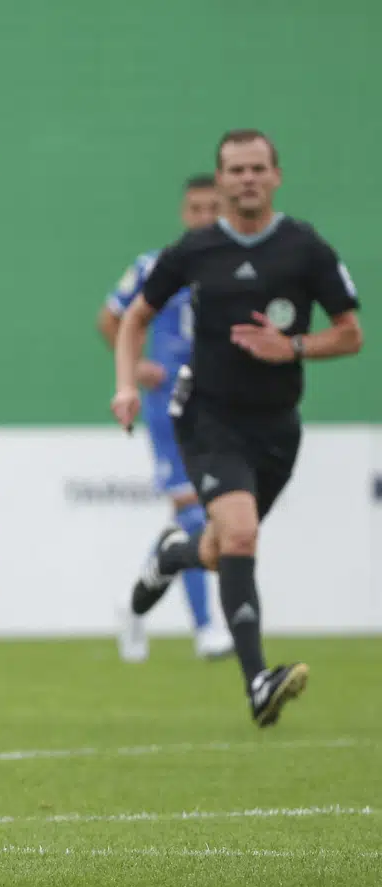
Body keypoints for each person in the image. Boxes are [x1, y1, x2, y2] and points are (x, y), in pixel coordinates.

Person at [112, 129, 364, 727]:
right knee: (243, 536)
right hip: (206, 417)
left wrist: (295, 345)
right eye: (235, 170)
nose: (247, 178)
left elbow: (351, 333)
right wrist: (125, 384)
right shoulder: (194, 250)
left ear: (276, 176)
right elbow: (133, 319)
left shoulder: (305, 249)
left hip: (277, 428)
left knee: (225, 547)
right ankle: (258, 682)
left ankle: (175, 554)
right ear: (220, 181)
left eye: (257, 168)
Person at [99, 174, 231, 662]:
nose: (203, 217)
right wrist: (135, 369)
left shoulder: (242, 269)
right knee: (195, 513)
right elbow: (111, 319)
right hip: (171, 410)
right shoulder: (155, 266)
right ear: (184, 214)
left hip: (224, 405)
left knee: (208, 518)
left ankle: (134, 603)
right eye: (195, 208)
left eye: (211, 208)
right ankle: (206, 630)